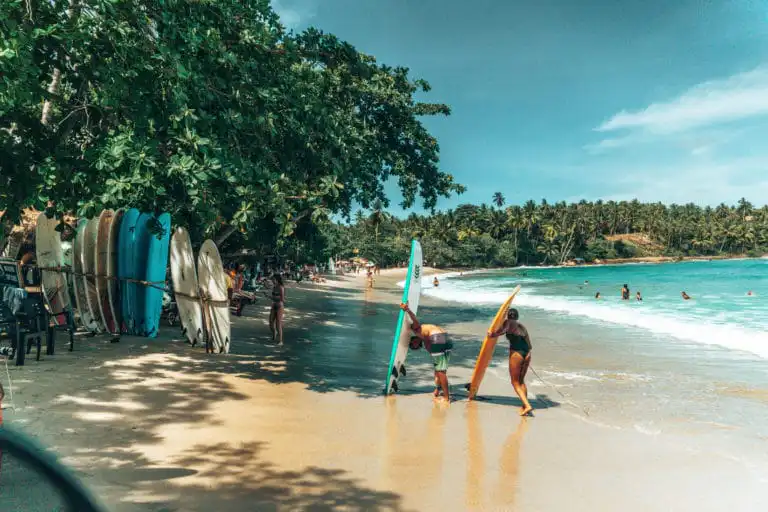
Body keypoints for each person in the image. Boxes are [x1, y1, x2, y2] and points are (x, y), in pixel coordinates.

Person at [400, 302, 453, 401]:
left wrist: (407, 310)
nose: (412, 344)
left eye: (412, 344)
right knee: (440, 369)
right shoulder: (426, 341)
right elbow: (436, 366)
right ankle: (438, 390)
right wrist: (437, 388)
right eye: (413, 346)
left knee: (441, 371)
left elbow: (414, 319)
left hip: (437, 337)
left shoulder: (416, 330)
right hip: (447, 338)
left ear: (414, 340)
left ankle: (446, 398)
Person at [489, 308, 534, 416]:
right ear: (517, 317)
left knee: (515, 382)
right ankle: (524, 406)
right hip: (527, 353)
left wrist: (492, 334)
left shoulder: (508, 322)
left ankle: (527, 405)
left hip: (516, 354)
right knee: (521, 381)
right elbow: (529, 345)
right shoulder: (522, 326)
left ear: (508, 317)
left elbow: (502, 331)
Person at [269, 274, 285, 345]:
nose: (272, 280)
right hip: (274, 305)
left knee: (278, 323)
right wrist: (269, 296)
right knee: (271, 322)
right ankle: (274, 333)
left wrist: (273, 298)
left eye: (273, 279)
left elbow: (282, 299)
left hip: (279, 306)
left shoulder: (281, 288)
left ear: (277, 280)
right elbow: (273, 296)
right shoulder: (274, 287)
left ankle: (280, 340)